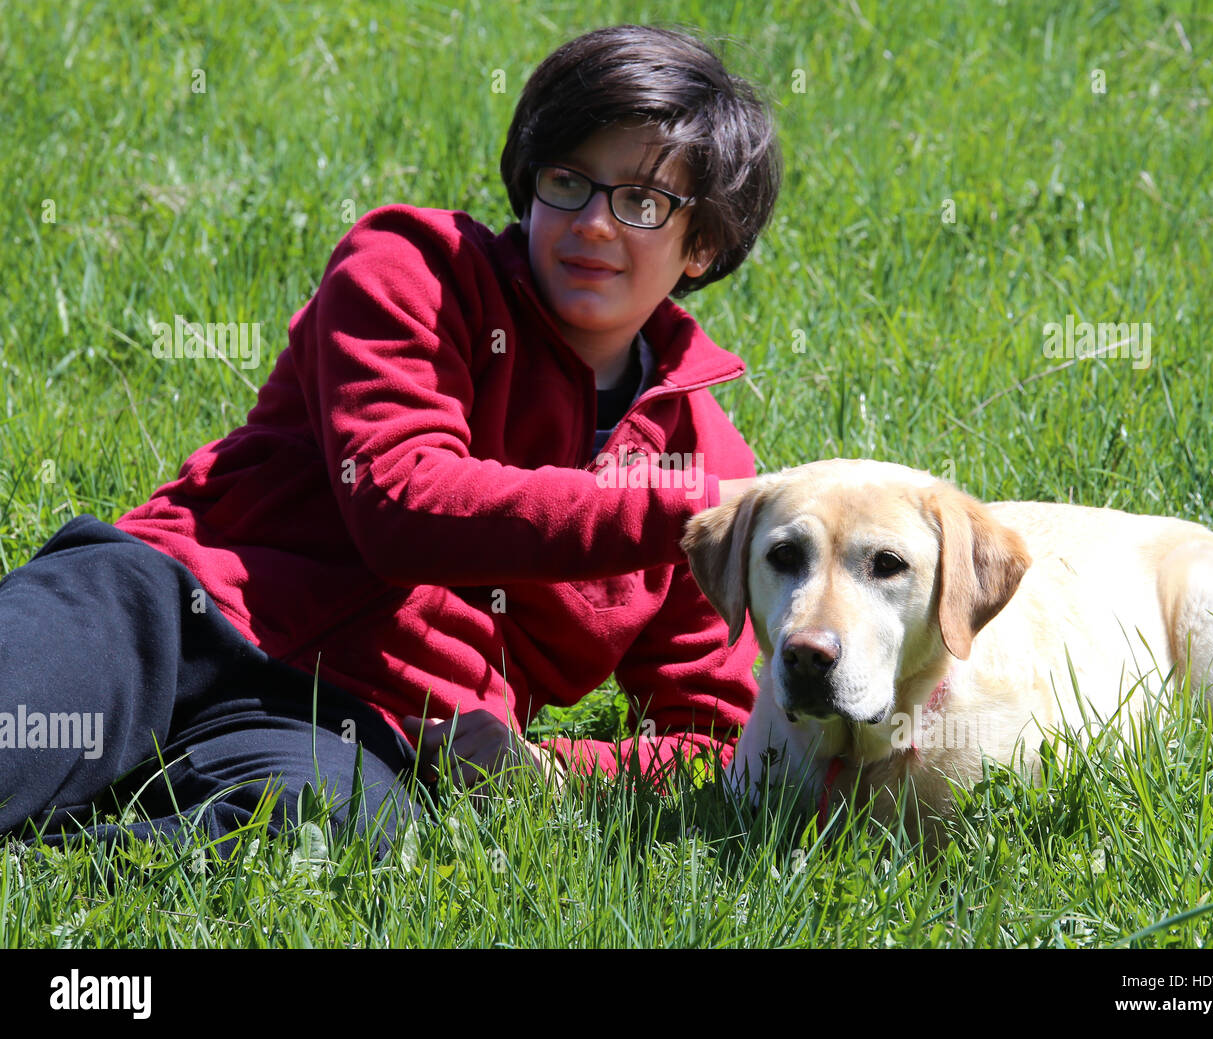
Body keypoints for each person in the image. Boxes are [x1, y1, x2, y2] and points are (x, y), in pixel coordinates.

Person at [0, 24, 780, 856]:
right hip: (163, 608)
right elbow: (403, 501)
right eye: (568, 181)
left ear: (702, 245)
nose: (592, 223)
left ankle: (54, 866)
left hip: (353, 730)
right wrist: (688, 511)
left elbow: (715, 734)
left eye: (641, 200)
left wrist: (555, 768)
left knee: (319, 839)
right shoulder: (413, 267)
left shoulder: (711, 463)